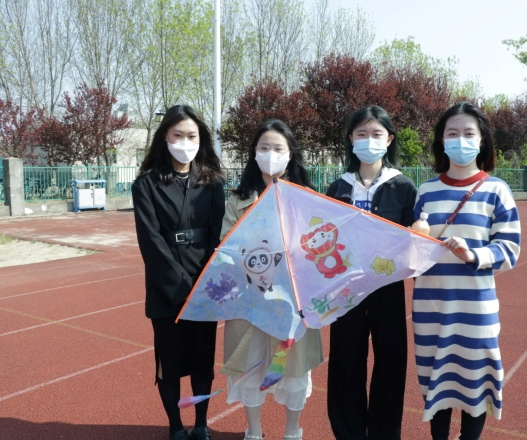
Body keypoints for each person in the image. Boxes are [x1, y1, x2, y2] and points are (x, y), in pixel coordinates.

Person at [413, 102, 521, 440]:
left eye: (468, 133)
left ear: (482, 140)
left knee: (475, 381)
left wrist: (472, 254)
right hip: (430, 307)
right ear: (441, 141)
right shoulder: (426, 191)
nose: (461, 139)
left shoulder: (496, 190)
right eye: (452, 133)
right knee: (435, 379)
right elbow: (412, 250)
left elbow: (510, 249)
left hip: (475, 308)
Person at [220, 119, 323, 440]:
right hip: (249, 302)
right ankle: (254, 431)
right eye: (263, 147)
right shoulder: (237, 201)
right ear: (254, 153)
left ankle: (293, 432)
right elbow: (227, 248)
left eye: (278, 148)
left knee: (293, 367)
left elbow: (316, 250)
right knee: (249, 366)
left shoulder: (306, 198)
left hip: (293, 302)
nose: (270, 154)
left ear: (290, 154)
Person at [132, 105, 226, 440]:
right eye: (178, 135)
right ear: (165, 138)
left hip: (205, 283)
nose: (185, 143)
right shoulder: (146, 184)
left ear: (201, 140)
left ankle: (201, 423)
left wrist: (205, 281)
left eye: (192, 136)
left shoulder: (212, 182)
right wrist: (182, 287)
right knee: (169, 363)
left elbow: (217, 232)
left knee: (203, 361)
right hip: (166, 288)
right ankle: (175, 425)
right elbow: (151, 241)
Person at [326, 105, 417, 440]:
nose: (368, 140)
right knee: (345, 362)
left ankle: (384, 433)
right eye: (361, 133)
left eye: (376, 134)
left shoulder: (403, 187)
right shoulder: (338, 187)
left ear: (389, 139)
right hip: (345, 288)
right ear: (351, 139)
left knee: (390, 362)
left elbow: (415, 240)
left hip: (386, 288)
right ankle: (349, 432)